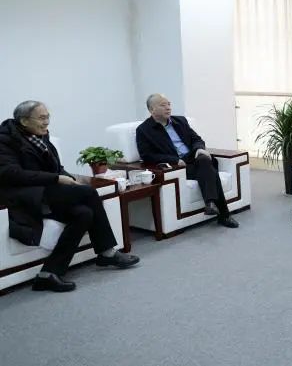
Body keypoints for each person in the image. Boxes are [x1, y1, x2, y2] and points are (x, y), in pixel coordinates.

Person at [0, 101, 139, 292]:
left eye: (48, 117)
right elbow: (11, 174)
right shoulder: (5, 140)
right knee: (89, 192)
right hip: (24, 196)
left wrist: (69, 178)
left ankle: (48, 274)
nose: (47, 122)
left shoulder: (39, 136)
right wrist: (57, 179)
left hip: (47, 190)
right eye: (42, 118)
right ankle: (106, 252)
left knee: (84, 214)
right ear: (24, 121)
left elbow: (56, 167)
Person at [135, 94, 239, 228]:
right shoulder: (144, 130)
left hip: (194, 158)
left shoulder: (180, 121)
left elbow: (196, 139)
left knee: (204, 160)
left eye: (169, 104)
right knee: (210, 170)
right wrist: (174, 160)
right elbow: (147, 155)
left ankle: (211, 204)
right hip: (178, 167)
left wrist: (199, 149)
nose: (168, 108)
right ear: (151, 109)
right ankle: (222, 214)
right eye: (163, 105)